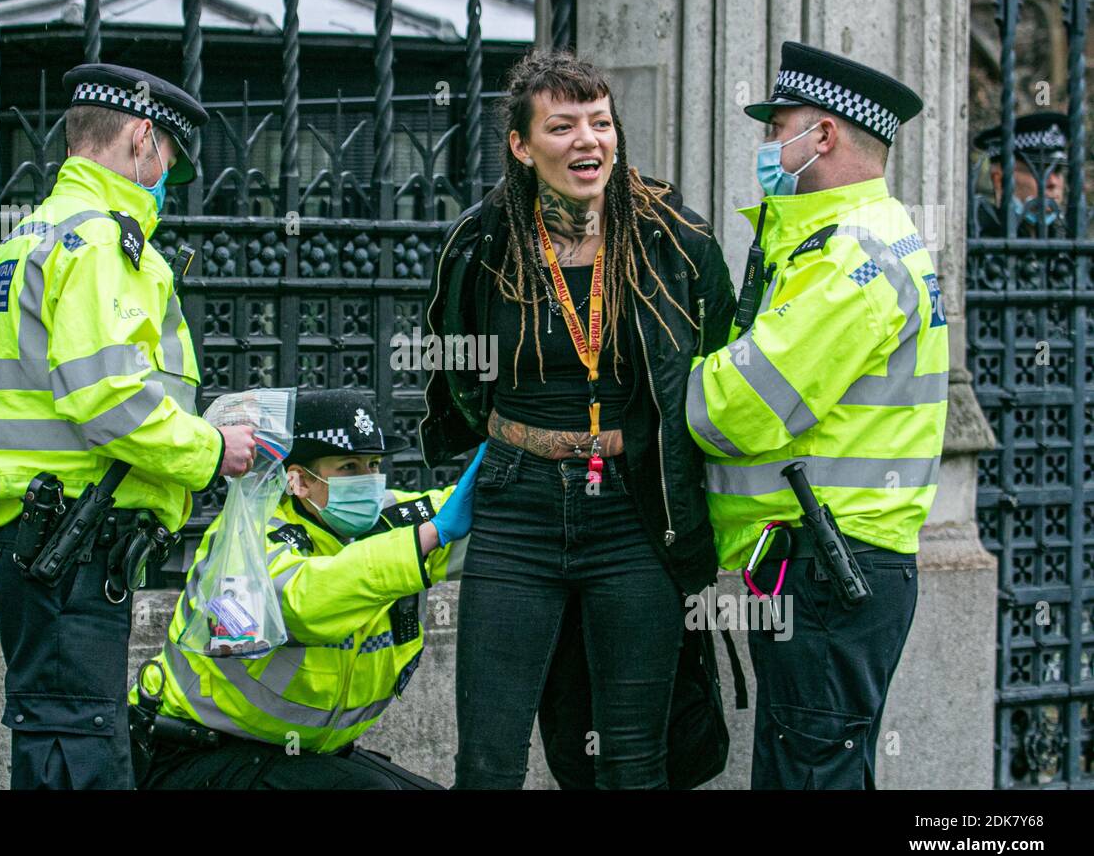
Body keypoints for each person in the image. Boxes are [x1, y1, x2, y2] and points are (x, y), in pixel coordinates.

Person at [419, 48, 737, 789]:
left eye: (600, 121)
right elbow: (460, 374)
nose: (588, 140)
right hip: (516, 507)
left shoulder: (674, 239)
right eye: (562, 126)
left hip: (635, 510)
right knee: (489, 758)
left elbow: (718, 359)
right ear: (522, 147)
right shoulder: (484, 240)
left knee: (633, 760)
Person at [0, 63, 257, 789]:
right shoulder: (101, 243)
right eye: (167, 164)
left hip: (35, 542)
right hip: (76, 545)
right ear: (141, 139)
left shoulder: (18, 243)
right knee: (80, 753)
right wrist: (213, 448)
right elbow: (110, 401)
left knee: (56, 738)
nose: (164, 181)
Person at [686, 41, 949, 789]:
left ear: (823, 136)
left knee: (807, 777)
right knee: (821, 770)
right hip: (836, 565)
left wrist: (675, 374)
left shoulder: (848, 257)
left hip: (830, 572)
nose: (768, 147)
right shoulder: (858, 237)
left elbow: (734, 411)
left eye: (778, 129)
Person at [130, 389, 484, 789]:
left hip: (299, 757)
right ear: (298, 481)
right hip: (192, 755)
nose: (367, 480)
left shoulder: (387, 525)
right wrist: (426, 538)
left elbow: (473, 518)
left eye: (373, 464)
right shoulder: (245, 538)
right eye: (348, 467)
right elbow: (302, 604)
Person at [971, 111, 1069, 238]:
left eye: (1057, 170)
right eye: (1039, 171)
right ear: (999, 180)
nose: (1053, 182)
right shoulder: (977, 237)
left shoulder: (1069, 243)